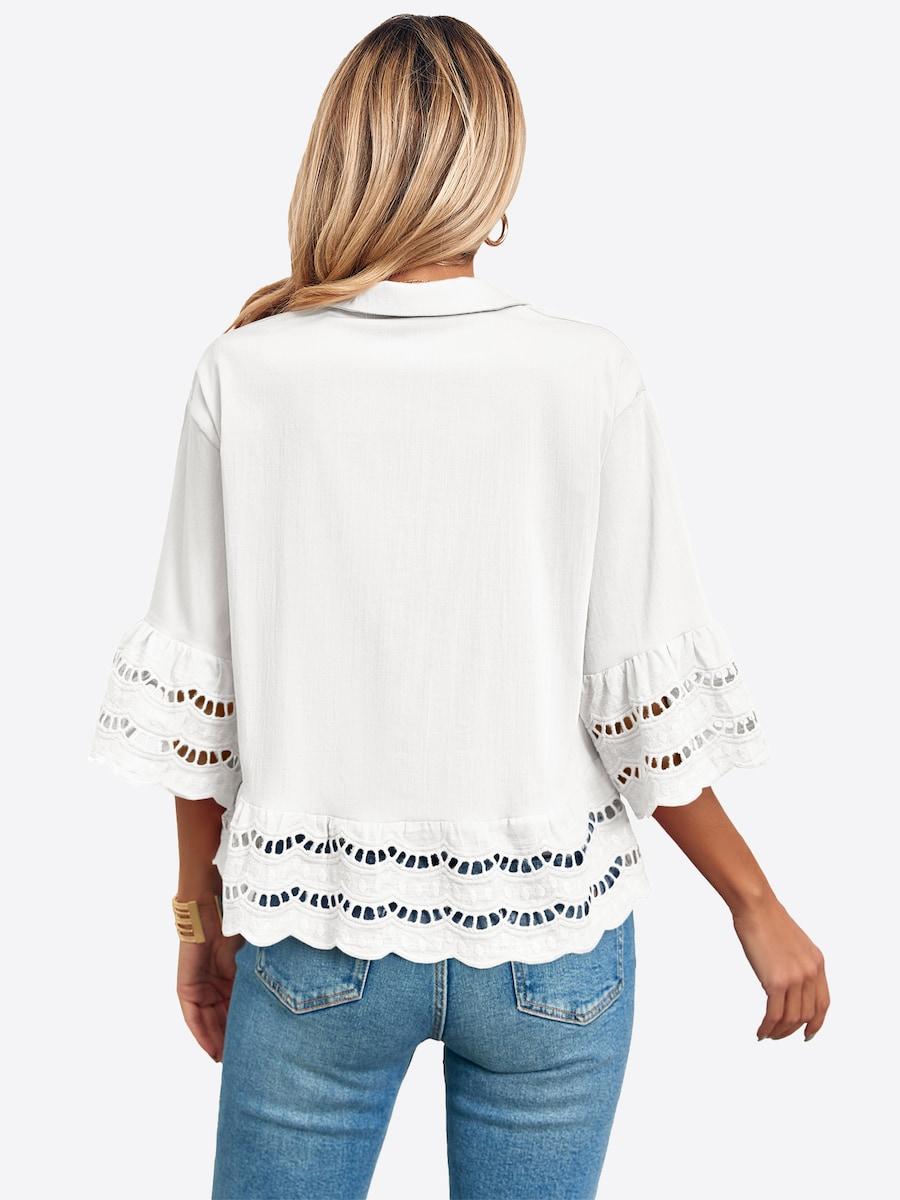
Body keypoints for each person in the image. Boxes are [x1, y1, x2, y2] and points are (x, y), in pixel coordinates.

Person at [88, 14, 829, 1200]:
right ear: (494, 173)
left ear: (340, 158)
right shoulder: (588, 371)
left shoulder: (247, 369)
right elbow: (641, 711)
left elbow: (197, 709)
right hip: (552, 944)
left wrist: (196, 918)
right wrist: (756, 903)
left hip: (314, 935)